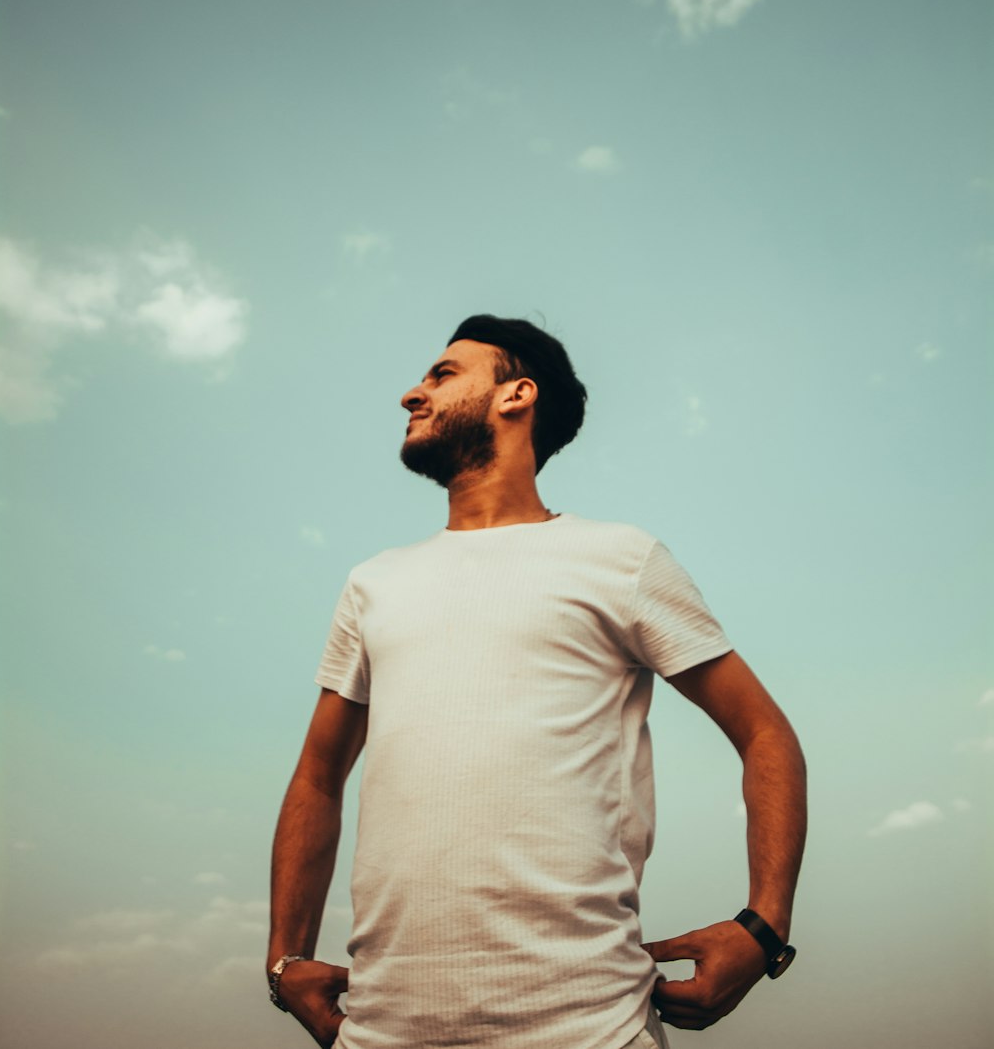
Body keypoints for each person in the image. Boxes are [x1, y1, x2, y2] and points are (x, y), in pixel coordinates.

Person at [267, 314, 807, 1049]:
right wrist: (284, 959)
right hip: (382, 1028)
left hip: (588, 1025)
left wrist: (765, 928)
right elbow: (318, 777)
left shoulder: (620, 558)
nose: (410, 394)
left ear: (515, 395)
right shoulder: (374, 583)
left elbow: (764, 732)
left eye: (442, 374)